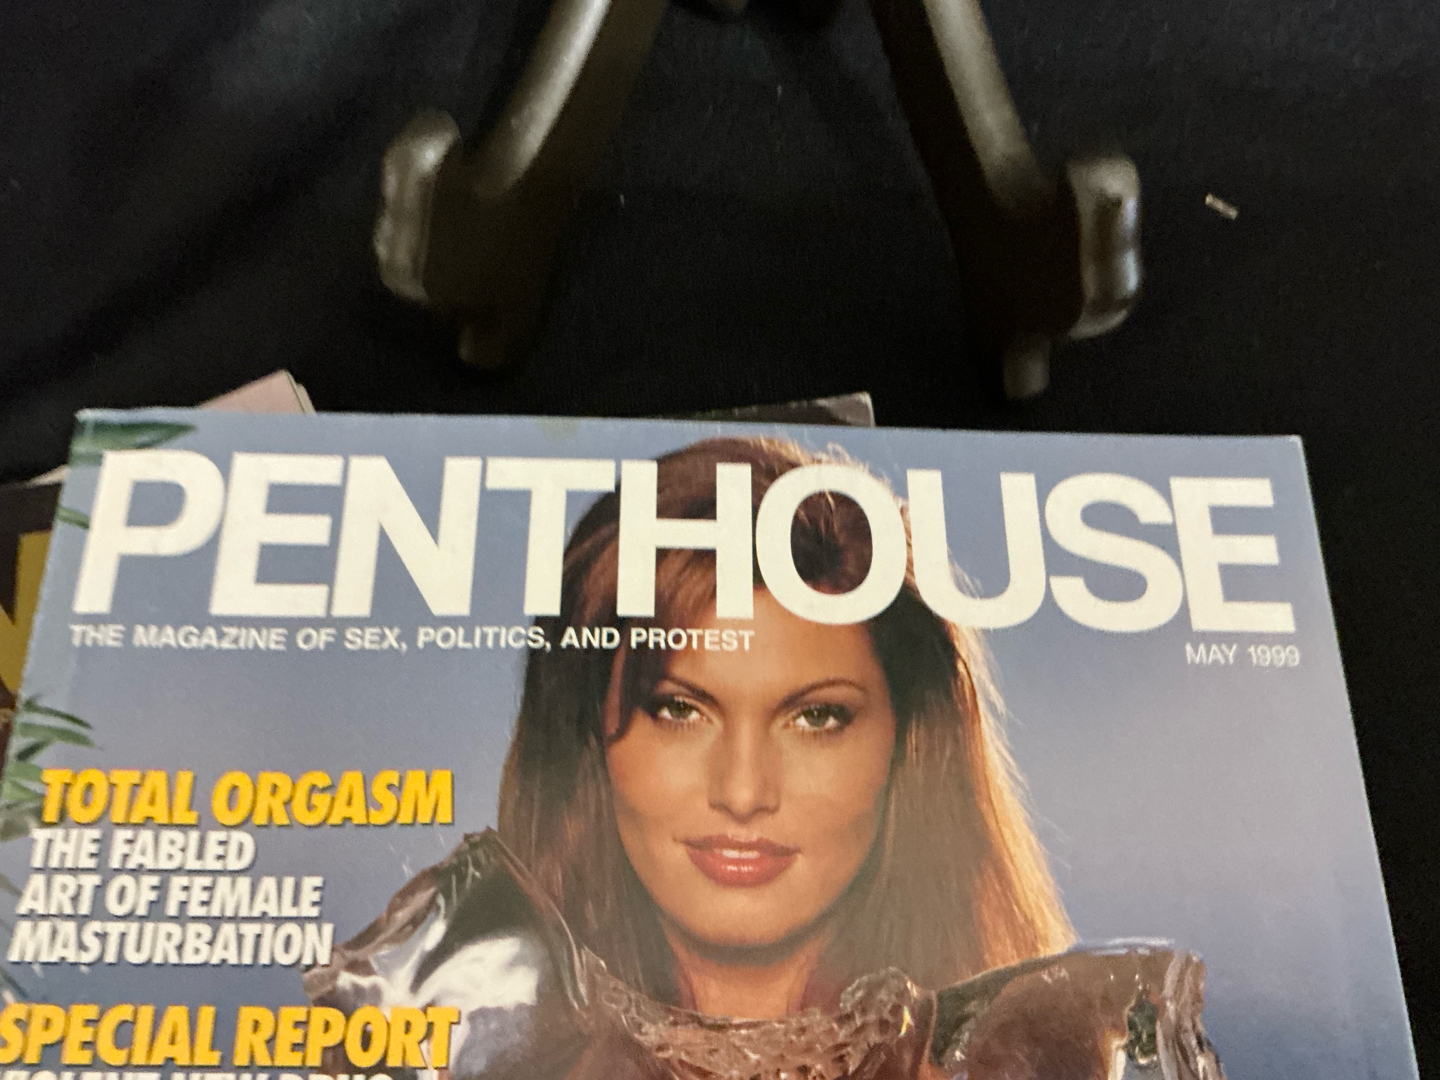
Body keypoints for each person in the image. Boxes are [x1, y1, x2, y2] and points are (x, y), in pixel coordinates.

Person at [305, 436, 1226, 1080]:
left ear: (908, 747)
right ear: (588, 733)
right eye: (679, 709)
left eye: (815, 718)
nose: (743, 791)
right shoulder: (427, 1020)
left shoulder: (1069, 1054)